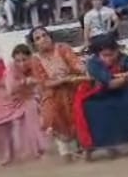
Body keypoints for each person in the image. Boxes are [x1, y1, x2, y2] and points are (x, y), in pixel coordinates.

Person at [73, 34, 128, 160]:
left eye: (111, 54)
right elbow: (110, 84)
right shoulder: (93, 62)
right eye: (105, 55)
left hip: (120, 91)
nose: (108, 59)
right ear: (98, 54)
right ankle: (89, 150)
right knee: (93, 110)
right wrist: (126, 77)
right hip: (95, 94)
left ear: (117, 50)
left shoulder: (123, 58)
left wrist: (122, 76)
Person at [26, 27, 85, 161]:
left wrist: (81, 68)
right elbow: (44, 82)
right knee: (52, 114)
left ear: (50, 36)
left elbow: (75, 64)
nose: (43, 39)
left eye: (44, 35)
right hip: (52, 93)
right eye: (38, 38)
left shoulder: (63, 48)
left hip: (72, 87)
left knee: (78, 111)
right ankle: (66, 149)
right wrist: (61, 80)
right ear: (34, 44)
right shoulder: (35, 60)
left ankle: (80, 146)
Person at [0, 44, 47, 166]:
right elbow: (10, 89)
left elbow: (42, 82)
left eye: (24, 60)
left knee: (31, 113)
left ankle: (37, 150)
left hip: (25, 98)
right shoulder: (11, 68)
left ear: (30, 57)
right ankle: (6, 156)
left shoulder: (35, 65)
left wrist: (35, 84)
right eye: (18, 60)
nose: (21, 64)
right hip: (4, 100)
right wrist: (25, 81)